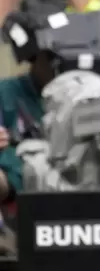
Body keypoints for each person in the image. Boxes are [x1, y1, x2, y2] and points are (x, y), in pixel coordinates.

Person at [0, 51, 56, 255]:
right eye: (50, 60)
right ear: (34, 58)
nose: (56, 68)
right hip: (14, 176)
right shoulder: (5, 92)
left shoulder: (83, 96)